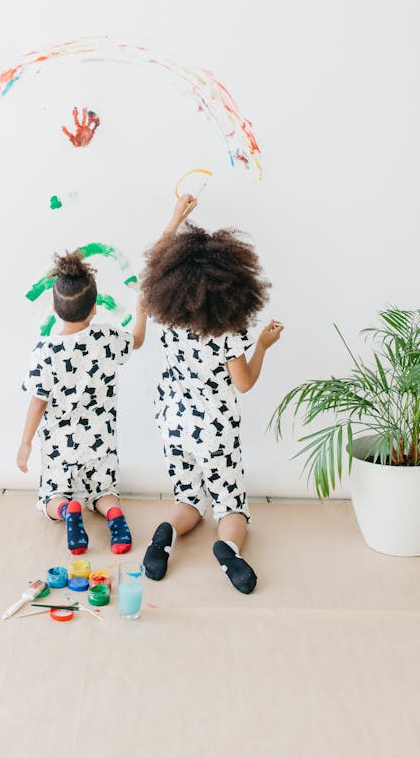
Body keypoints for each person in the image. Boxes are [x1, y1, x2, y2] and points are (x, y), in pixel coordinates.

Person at [139, 194, 283, 593]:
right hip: (215, 429)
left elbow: (145, 270)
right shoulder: (226, 331)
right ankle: (228, 550)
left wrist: (173, 220)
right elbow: (244, 383)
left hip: (173, 422)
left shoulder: (163, 316)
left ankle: (162, 540)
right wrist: (263, 346)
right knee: (231, 506)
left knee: (187, 500)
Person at [17, 250, 146, 555]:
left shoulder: (45, 351)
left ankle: (65, 511)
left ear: (54, 307)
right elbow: (137, 340)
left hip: (61, 444)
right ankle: (114, 515)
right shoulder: (107, 338)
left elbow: (37, 402)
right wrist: (142, 307)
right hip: (100, 440)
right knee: (104, 492)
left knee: (51, 497)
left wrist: (25, 443)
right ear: (95, 310)